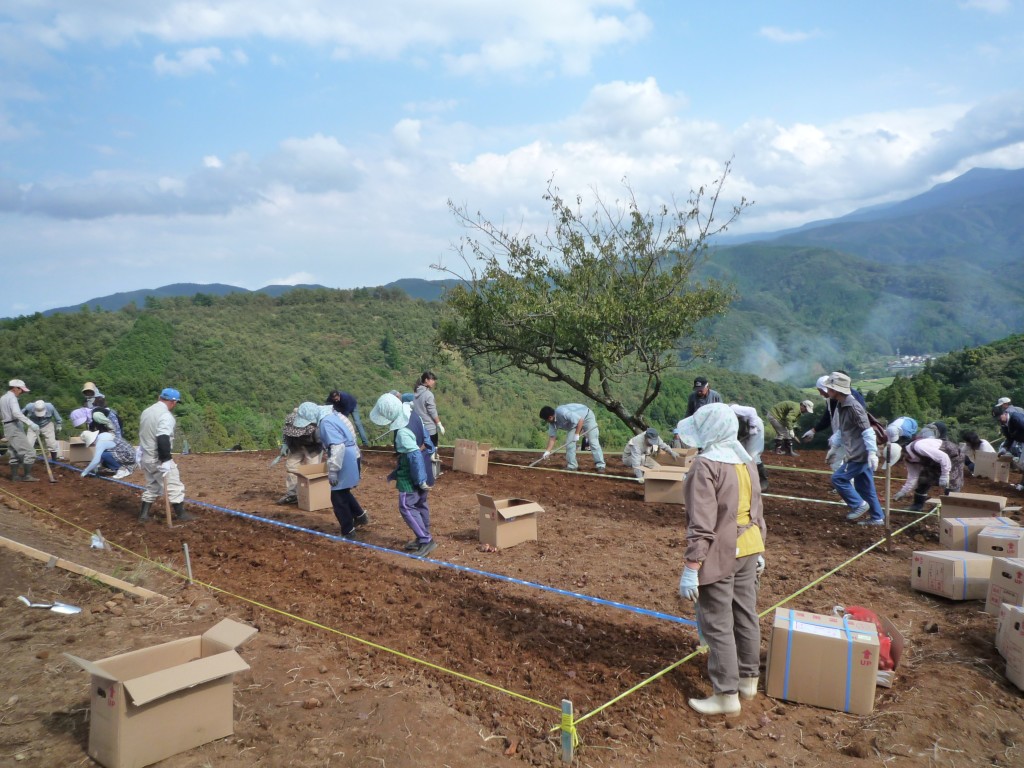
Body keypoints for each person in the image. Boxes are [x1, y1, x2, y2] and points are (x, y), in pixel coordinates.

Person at [676, 403, 767, 716]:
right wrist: (761, 548)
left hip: (722, 552)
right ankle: (748, 680)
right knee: (745, 613)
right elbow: (757, 509)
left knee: (717, 622)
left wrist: (691, 567)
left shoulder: (705, 465)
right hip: (750, 546)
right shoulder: (746, 460)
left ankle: (726, 695)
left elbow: (701, 524)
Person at [370, 392, 438, 557]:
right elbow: (426, 437)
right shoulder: (412, 414)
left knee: (407, 505)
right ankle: (422, 535)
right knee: (421, 503)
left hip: (412, 471)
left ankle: (425, 539)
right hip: (425, 463)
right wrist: (430, 452)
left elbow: (413, 457)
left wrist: (420, 479)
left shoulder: (402, 432)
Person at [824, 372, 885, 526]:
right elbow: (842, 430)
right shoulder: (841, 404)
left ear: (837, 390)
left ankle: (858, 505)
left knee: (838, 478)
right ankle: (877, 517)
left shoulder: (854, 407)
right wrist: (834, 448)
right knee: (865, 487)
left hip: (859, 454)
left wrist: (872, 453)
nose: (827, 391)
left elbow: (867, 430)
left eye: (830, 388)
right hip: (859, 453)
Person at [137, 387, 192, 523]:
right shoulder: (166, 416)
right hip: (158, 458)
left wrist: (140, 451)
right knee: (174, 486)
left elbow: (144, 433)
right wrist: (166, 460)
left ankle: (143, 516)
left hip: (146, 456)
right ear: (173, 402)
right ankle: (181, 515)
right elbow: (162, 437)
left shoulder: (147, 411)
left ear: (160, 397)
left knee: (152, 486)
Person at [319, 398, 369, 539]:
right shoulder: (337, 417)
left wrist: (333, 470)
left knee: (337, 496)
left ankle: (348, 530)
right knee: (343, 490)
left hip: (345, 457)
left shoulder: (328, 422)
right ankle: (360, 515)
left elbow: (338, 446)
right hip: (353, 455)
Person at [802, 373, 867, 471]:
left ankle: (844, 484)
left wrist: (838, 435)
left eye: (821, 391)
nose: (821, 394)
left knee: (836, 463)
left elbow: (857, 420)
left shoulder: (850, 398)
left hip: (850, 436)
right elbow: (827, 417)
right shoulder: (831, 399)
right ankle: (846, 483)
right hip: (842, 436)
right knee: (844, 463)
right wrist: (813, 430)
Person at [893, 433, 966, 510]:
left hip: (952, 456)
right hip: (934, 461)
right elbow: (913, 476)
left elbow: (943, 457)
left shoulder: (918, 447)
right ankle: (917, 505)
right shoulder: (909, 459)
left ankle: (951, 508)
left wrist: (945, 475)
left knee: (952, 481)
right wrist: (904, 491)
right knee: (923, 479)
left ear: (901, 454)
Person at [275, 402, 325, 505]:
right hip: (296, 446)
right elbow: (285, 434)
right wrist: (285, 444)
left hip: (312, 448)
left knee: (312, 471)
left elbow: (322, 442)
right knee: (291, 467)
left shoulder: (317, 427)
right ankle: (292, 494)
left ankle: (312, 495)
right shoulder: (290, 420)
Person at [539, 404, 606, 473]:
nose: (546, 422)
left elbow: (580, 420)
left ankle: (600, 465)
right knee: (569, 444)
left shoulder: (562, 412)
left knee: (593, 442)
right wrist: (547, 451)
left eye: (545, 420)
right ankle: (572, 466)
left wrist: (577, 434)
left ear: (550, 417)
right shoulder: (552, 423)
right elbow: (552, 437)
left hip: (586, 417)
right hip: (574, 424)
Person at [1, 379, 39, 482]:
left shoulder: (3, 398)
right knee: (30, 452)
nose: (21, 392)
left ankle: (15, 476)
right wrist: (31, 423)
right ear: (15, 388)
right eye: (21, 390)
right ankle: (27, 476)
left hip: (7, 426)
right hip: (13, 425)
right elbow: (17, 413)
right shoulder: (12, 398)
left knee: (14, 451)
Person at [730, 403, 769, 491]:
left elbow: (752, 411)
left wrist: (752, 427)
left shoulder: (733, 408)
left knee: (752, 455)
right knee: (740, 454)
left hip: (755, 427)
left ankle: (763, 481)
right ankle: (744, 480)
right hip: (743, 430)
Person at [413, 371, 445, 454]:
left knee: (420, 450)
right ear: (426, 380)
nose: (434, 382)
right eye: (432, 379)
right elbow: (432, 411)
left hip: (418, 426)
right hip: (429, 428)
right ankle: (432, 467)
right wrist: (439, 424)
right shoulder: (428, 394)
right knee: (432, 451)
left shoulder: (416, 392)